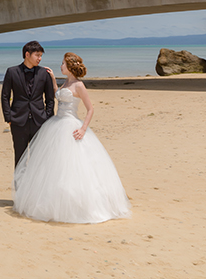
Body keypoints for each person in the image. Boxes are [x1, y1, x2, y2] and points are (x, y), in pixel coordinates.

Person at [12, 52, 131, 223]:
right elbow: (58, 95)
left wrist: (83, 129)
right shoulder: (66, 82)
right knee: (54, 166)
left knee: (74, 166)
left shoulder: (79, 85)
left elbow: (90, 109)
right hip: (56, 123)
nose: (60, 66)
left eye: (62, 64)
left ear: (70, 66)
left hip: (71, 125)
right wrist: (53, 79)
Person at [1, 41, 55, 167]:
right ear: (27, 54)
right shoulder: (12, 72)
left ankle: (36, 186)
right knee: (20, 158)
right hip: (18, 121)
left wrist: (48, 118)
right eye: (37, 55)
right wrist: (8, 117)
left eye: (41, 55)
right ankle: (20, 186)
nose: (40, 59)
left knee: (38, 157)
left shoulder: (44, 73)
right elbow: (5, 96)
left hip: (39, 121)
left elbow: (50, 98)